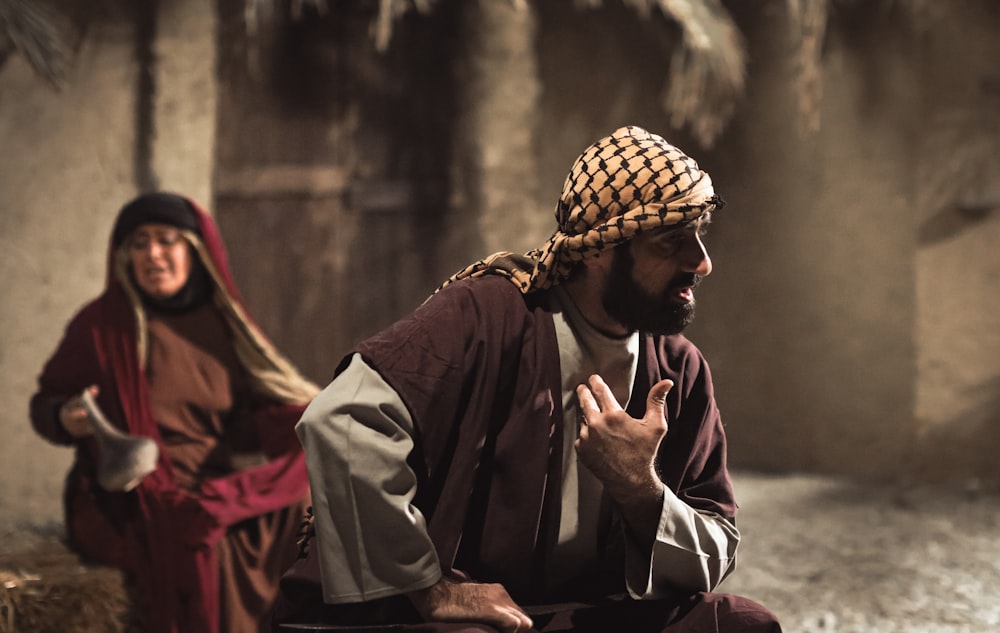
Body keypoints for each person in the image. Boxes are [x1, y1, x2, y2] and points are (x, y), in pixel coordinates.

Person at [276, 126, 781, 632]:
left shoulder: (678, 369)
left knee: (742, 624)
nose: (702, 263)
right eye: (672, 242)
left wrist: (640, 489)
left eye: (700, 234)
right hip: (477, 617)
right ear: (599, 248)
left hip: (591, 612)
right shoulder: (487, 316)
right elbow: (340, 422)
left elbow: (715, 552)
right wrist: (431, 588)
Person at [29, 192, 320, 633]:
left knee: (309, 501)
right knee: (199, 542)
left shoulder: (222, 325)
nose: (153, 254)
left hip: (215, 487)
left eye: (167, 241)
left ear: (195, 250)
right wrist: (64, 418)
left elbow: (251, 418)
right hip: (128, 500)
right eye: (140, 243)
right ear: (125, 256)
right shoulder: (99, 327)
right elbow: (43, 405)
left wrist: (307, 422)